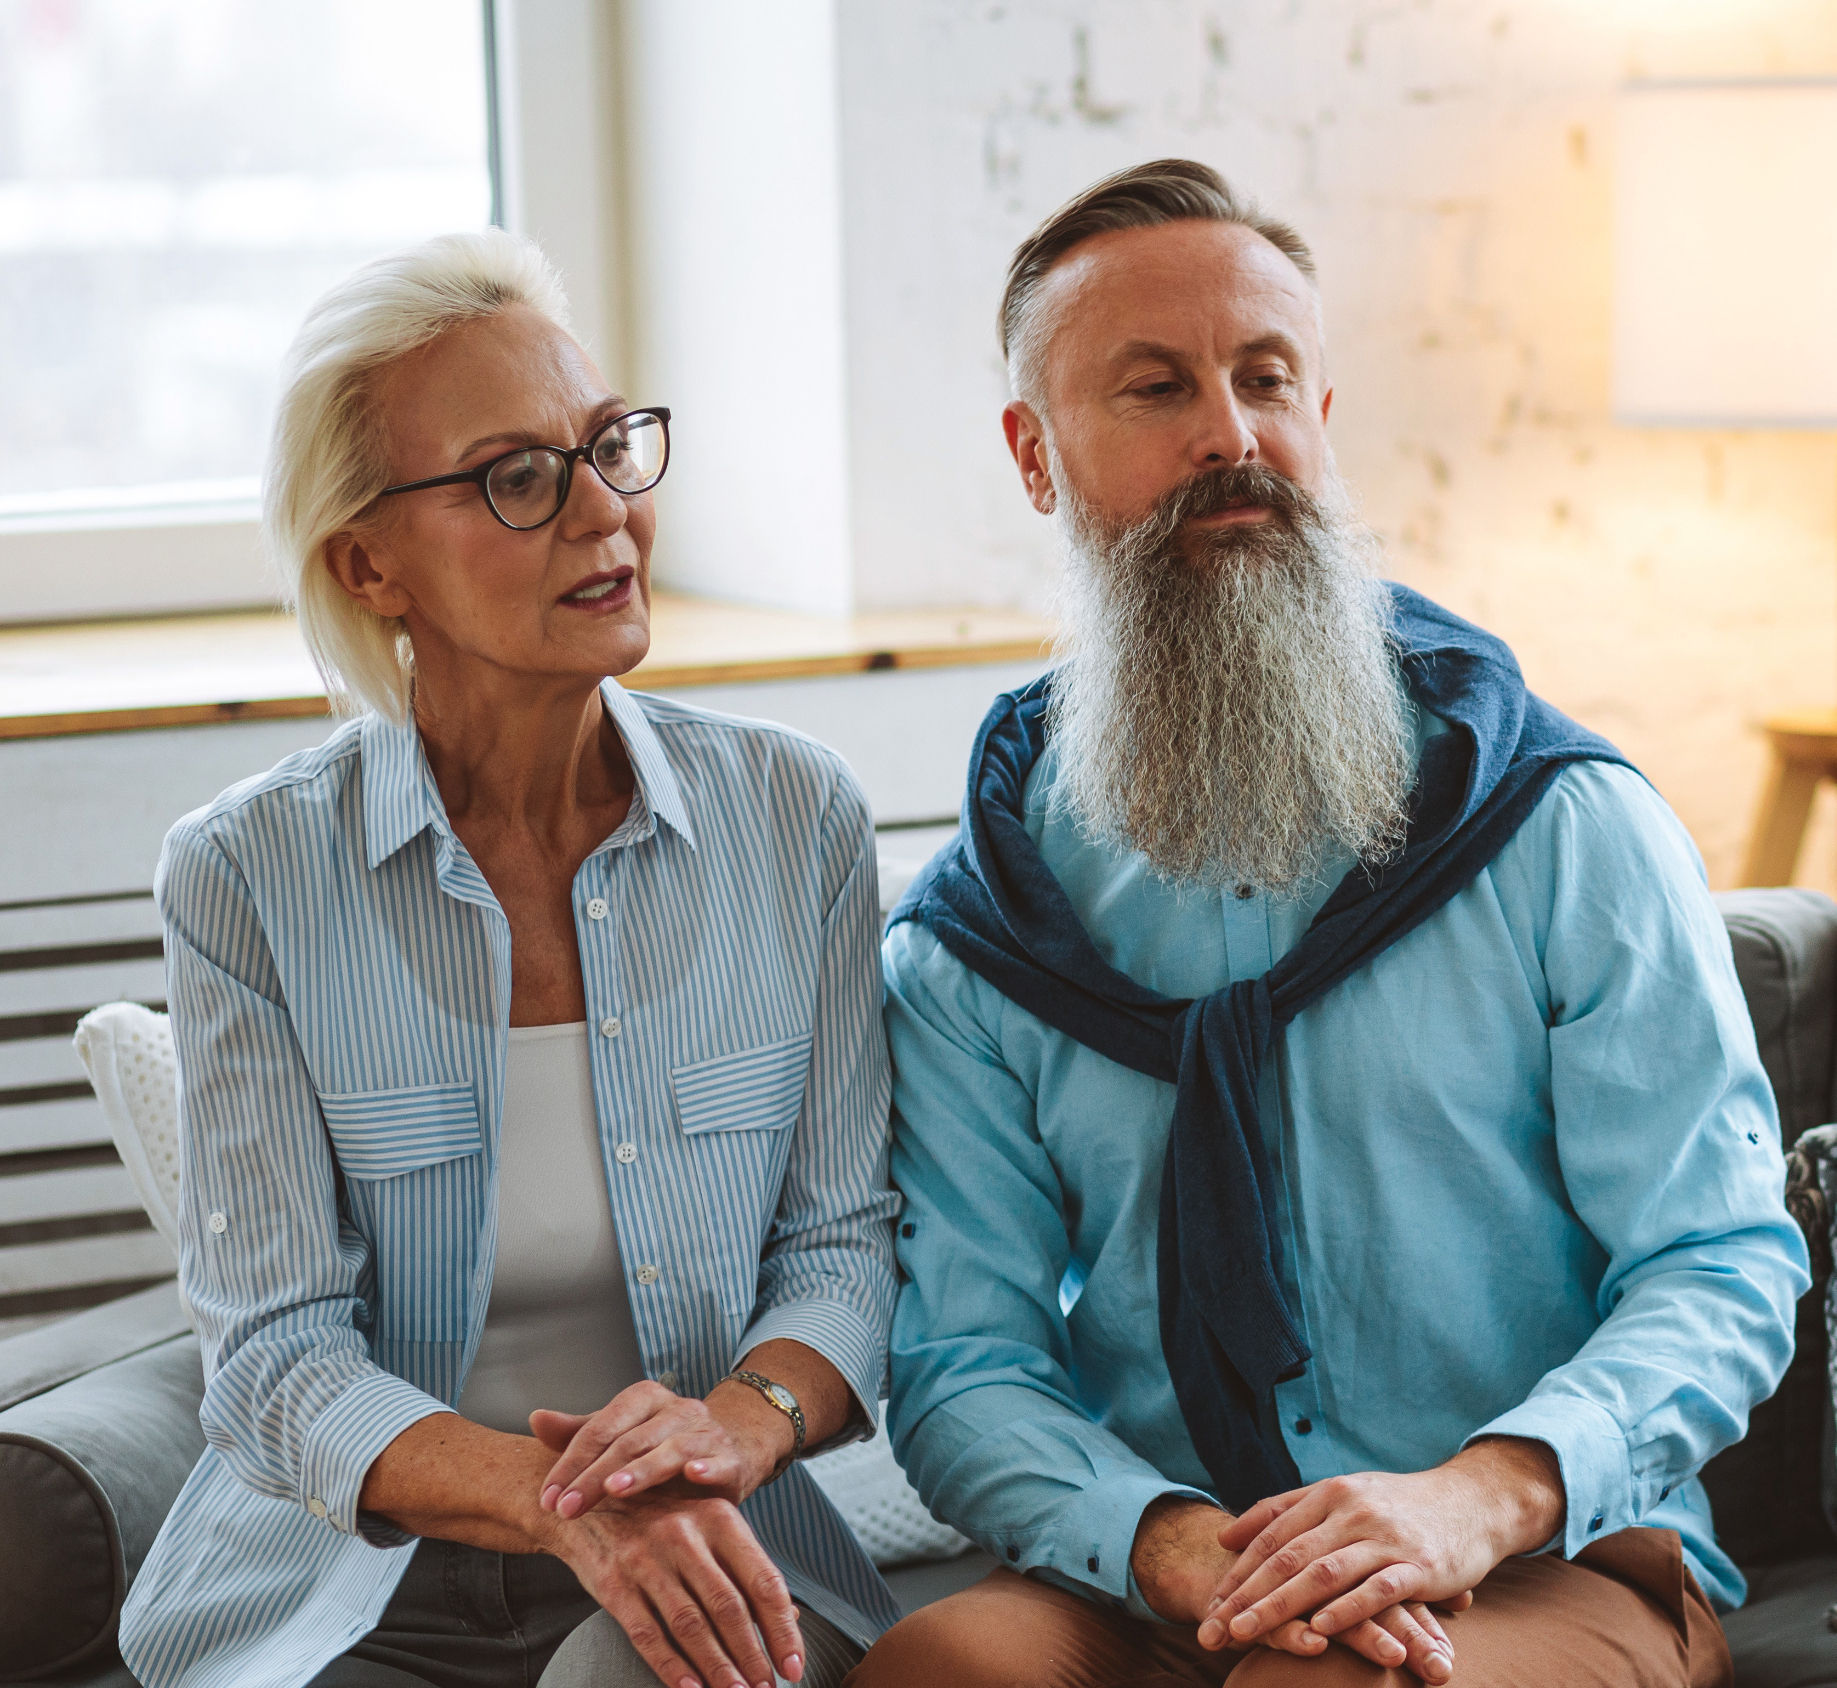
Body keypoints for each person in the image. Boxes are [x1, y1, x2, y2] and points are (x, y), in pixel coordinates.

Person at [858, 160, 1809, 1688]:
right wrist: (1166, 1545)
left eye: (1266, 378)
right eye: (1155, 388)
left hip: (1539, 1553)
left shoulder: (1560, 825)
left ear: (1319, 415)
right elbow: (962, 1362)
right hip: (1164, 1564)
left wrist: (1474, 1497)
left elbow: (1717, 1259)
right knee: (937, 1670)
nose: (1229, 436)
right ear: (1035, 456)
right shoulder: (979, 930)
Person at [117, 229, 899, 1688]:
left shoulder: (796, 817)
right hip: (347, 1590)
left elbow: (844, 1244)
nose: (603, 511)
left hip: (717, 1555)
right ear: (371, 561)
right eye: (516, 476)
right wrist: (574, 1509)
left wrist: (733, 1424)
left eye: (608, 447)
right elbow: (279, 1358)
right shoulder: (246, 874)